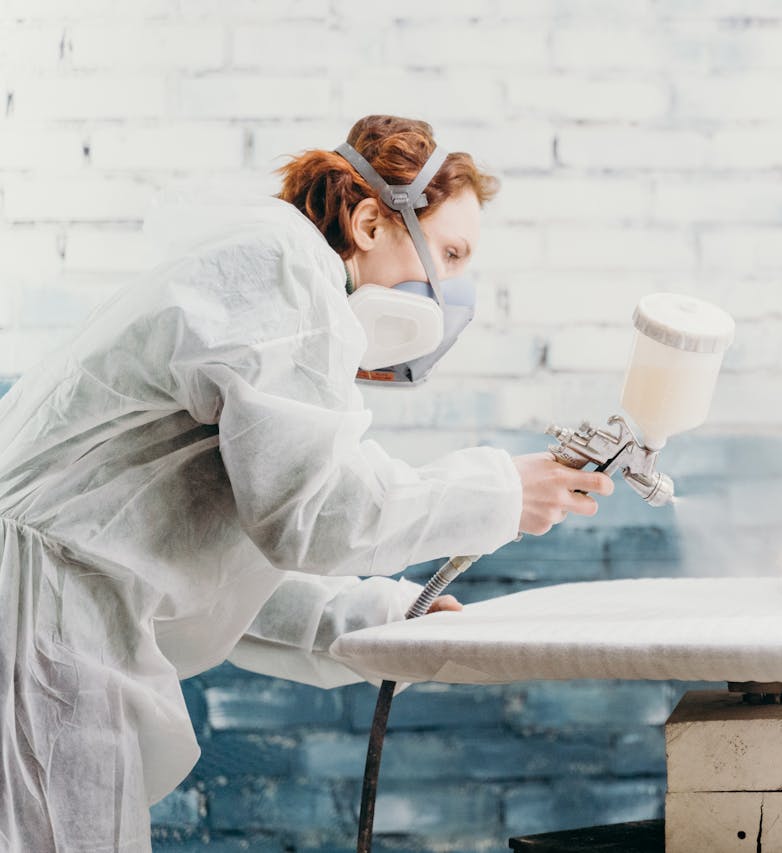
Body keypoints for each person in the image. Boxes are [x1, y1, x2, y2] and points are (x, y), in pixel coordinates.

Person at [0, 114, 612, 851]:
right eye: (447, 254)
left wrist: (380, 616)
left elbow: (213, 556)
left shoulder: (269, 281)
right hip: (39, 626)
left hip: (53, 610)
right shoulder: (287, 277)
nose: (448, 290)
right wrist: (502, 493)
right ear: (366, 221)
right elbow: (315, 517)